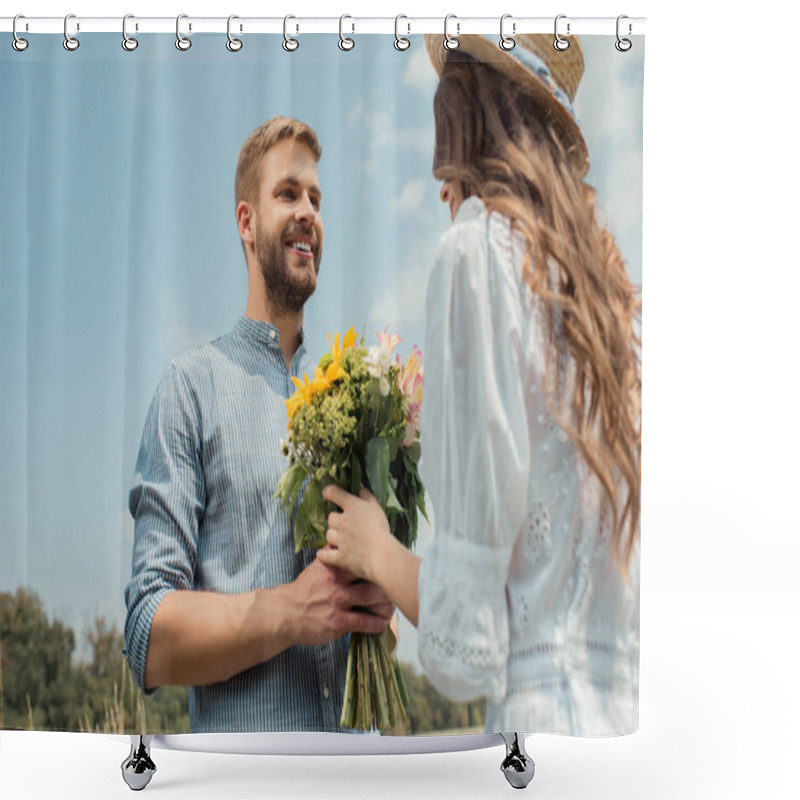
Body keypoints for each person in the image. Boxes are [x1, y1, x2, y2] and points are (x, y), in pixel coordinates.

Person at [316, 35, 641, 736]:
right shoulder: (613, 315)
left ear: (471, 117)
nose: (440, 180)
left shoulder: (478, 253)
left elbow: (468, 647)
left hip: (541, 739)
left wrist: (377, 548)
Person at [124, 116, 395, 734]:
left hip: (360, 773)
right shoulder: (189, 388)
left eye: (317, 200)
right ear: (246, 223)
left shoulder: (356, 396)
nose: (308, 213)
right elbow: (148, 634)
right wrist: (293, 612)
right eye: (288, 193)